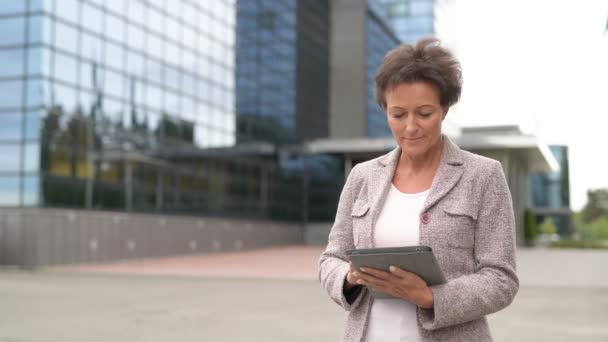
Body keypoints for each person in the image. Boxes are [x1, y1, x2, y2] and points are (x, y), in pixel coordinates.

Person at [318, 38, 519, 342]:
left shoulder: (483, 175)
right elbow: (330, 258)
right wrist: (348, 277)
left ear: (445, 109)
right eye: (398, 115)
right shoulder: (362, 176)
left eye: (424, 113)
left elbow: (501, 279)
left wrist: (432, 297)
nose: (410, 127)